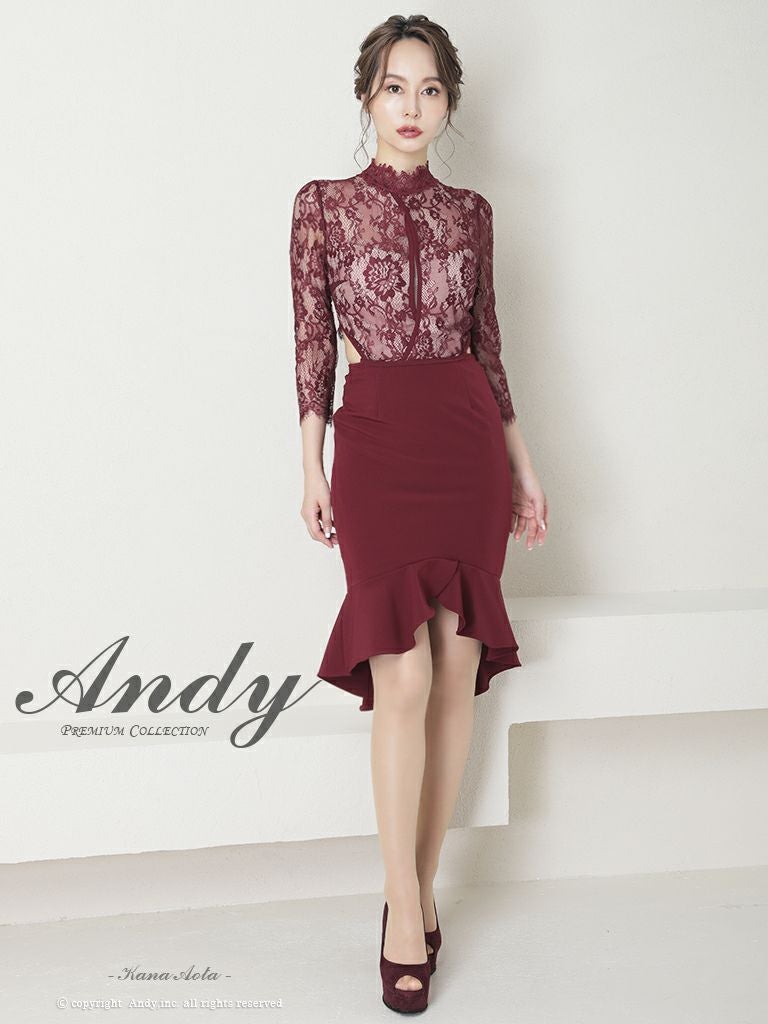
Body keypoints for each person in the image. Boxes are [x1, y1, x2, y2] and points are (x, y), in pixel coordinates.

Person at [289, 14, 548, 1014]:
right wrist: (310, 465)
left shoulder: (472, 214)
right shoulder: (322, 206)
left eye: (430, 89)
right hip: (377, 441)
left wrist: (524, 468)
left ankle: (417, 889)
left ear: (448, 102)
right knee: (400, 672)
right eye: (395, 87)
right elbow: (312, 346)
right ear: (368, 96)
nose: (412, 107)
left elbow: (491, 347)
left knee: (455, 670)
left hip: (466, 438)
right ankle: (405, 904)